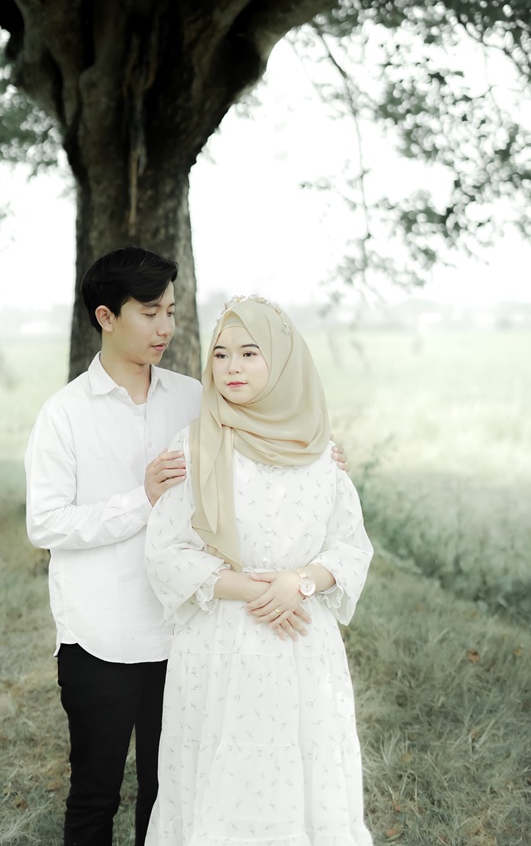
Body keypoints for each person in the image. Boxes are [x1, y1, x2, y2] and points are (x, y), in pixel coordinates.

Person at [25, 249, 349, 846]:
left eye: (171, 312)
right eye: (150, 313)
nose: (166, 328)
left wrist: (317, 457)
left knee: (172, 787)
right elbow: (44, 524)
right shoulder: (64, 414)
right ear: (106, 317)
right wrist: (141, 499)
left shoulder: (192, 398)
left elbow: (260, 440)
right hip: (104, 634)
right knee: (95, 791)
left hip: (189, 636)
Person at [145, 295, 374, 846]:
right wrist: (258, 590)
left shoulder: (321, 453)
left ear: (283, 360)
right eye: (221, 355)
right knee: (223, 786)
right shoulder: (194, 446)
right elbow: (167, 552)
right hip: (220, 643)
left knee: (300, 780)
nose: (232, 368)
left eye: (250, 353)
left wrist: (301, 583)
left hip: (302, 645)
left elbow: (350, 547)